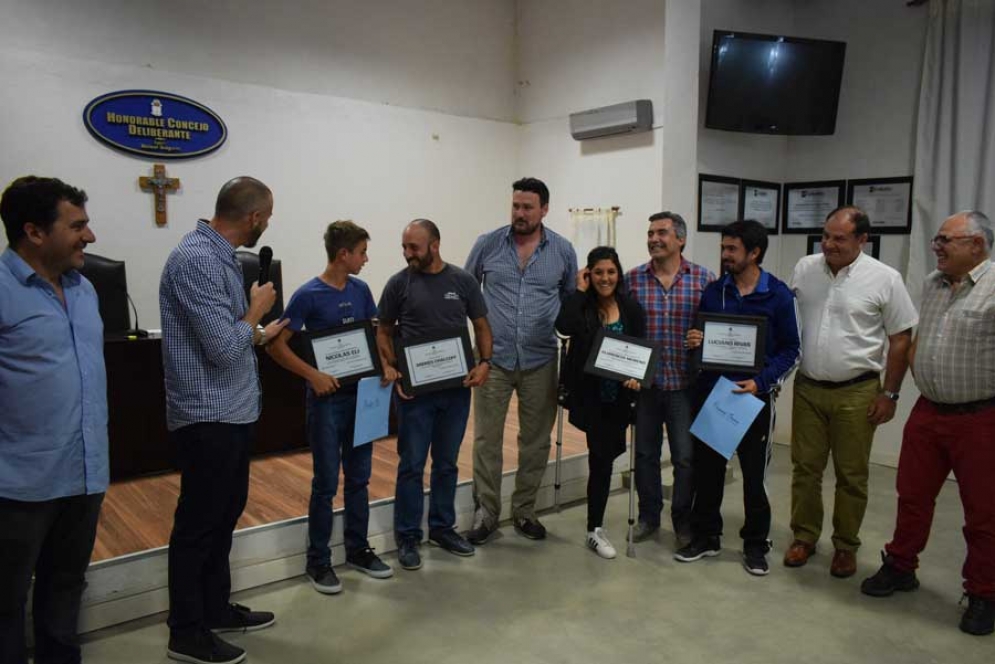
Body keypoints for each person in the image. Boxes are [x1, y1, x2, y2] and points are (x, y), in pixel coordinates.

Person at [159, 177, 288, 664]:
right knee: (197, 524)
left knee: (224, 514)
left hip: (233, 409)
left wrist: (261, 331)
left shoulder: (220, 258)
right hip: (207, 413)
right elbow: (219, 348)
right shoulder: (196, 260)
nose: (268, 224)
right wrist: (255, 311)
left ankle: (213, 607)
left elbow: (230, 337)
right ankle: (185, 631)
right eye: (268, 216)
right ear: (253, 218)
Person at [861, 210, 995, 637]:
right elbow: (917, 340)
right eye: (936, 239)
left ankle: (983, 593)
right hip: (929, 411)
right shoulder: (932, 285)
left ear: (977, 245)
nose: (936, 247)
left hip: (980, 418)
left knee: (983, 513)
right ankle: (901, 565)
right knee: (911, 496)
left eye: (945, 240)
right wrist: (895, 391)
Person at [0, 176, 106, 664]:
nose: (90, 236)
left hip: (84, 473)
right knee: (6, 600)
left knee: (65, 587)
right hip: (18, 484)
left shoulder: (85, 291)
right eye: (77, 225)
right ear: (34, 232)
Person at [785, 206, 917, 578]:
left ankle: (845, 545)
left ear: (862, 240)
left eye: (839, 238)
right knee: (805, 468)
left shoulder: (885, 279)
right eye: (826, 236)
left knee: (851, 473)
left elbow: (901, 338)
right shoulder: (805, 269)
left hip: (858, 391)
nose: (829, 244)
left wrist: (889, 394)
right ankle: (805, 537)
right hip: (809, 387)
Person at [265, 220, 393, 595]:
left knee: (359, 478)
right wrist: (312, 375)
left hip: (361, 397)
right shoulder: (308, 295)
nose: (366, 259)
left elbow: (373, 335)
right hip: (327, 402)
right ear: (344, 254)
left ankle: (357, 549)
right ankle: (317, 560)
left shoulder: (362, 289)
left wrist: (384, 364)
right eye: (363, 252)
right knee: (325, 483)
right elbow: (276, 345)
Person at [677, 219, 800, 576]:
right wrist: (695, 342)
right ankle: (706, 537)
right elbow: (703, 335)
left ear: (754, 252)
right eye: (723, 248)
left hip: (754, 399)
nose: (725, 255)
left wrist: (761, 381)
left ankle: (755, 544)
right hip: (714, 395)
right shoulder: (716, 291)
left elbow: (792, 350)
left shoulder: (778, 295)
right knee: (708, 472)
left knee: (752, 477)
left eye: (732, 249)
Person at [464, 177, 576, 544]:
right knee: (486, 440)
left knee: (535, 441)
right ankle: (487, 512)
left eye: (528, 207)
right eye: (515, 206)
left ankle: (525, 510)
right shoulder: (488, 244)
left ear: (544, 209)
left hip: (541, 360)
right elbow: (466, 293)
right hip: (492, 360)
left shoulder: (562, 250)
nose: (520, 213)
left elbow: (570, 301)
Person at [376, 219, 493, 571]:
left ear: (435, 245)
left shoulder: (463, 281)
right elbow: (382, 332)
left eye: (414, 247)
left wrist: (485, 362)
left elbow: (482, 325)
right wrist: (393, 367)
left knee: (446, 463)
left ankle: (442, 528)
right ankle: (408, 537)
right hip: (415, 395)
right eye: (404, 247)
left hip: (456, 391)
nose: (407, 253)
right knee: (411, 466)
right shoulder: (398, 284)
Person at [625, 211, 715, 548]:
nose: (653, 239)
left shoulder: (704, 279)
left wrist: (704, 337)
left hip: (684, 385)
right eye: (650, 233)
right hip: (645, 386)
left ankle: (682, 519)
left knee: (685, 458)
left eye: (662, 232)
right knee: (645, 455)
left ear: (680, 239)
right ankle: (649, 516)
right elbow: (619, 327)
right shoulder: (632, 280)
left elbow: (715, 327)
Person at [555, 247, 645, 559]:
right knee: (601, 459)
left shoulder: (632, 309)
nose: (605, 278)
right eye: (598, 272)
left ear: (618, 274)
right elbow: (563, 327)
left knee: (607, 457)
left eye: (610, 272)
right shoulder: (582, 306)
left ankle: (595, 525)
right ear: (588, 275)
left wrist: (637, 378)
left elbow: (640, 352)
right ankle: (595, 529)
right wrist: (579, 290)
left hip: (619, 398)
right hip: (591, 396)